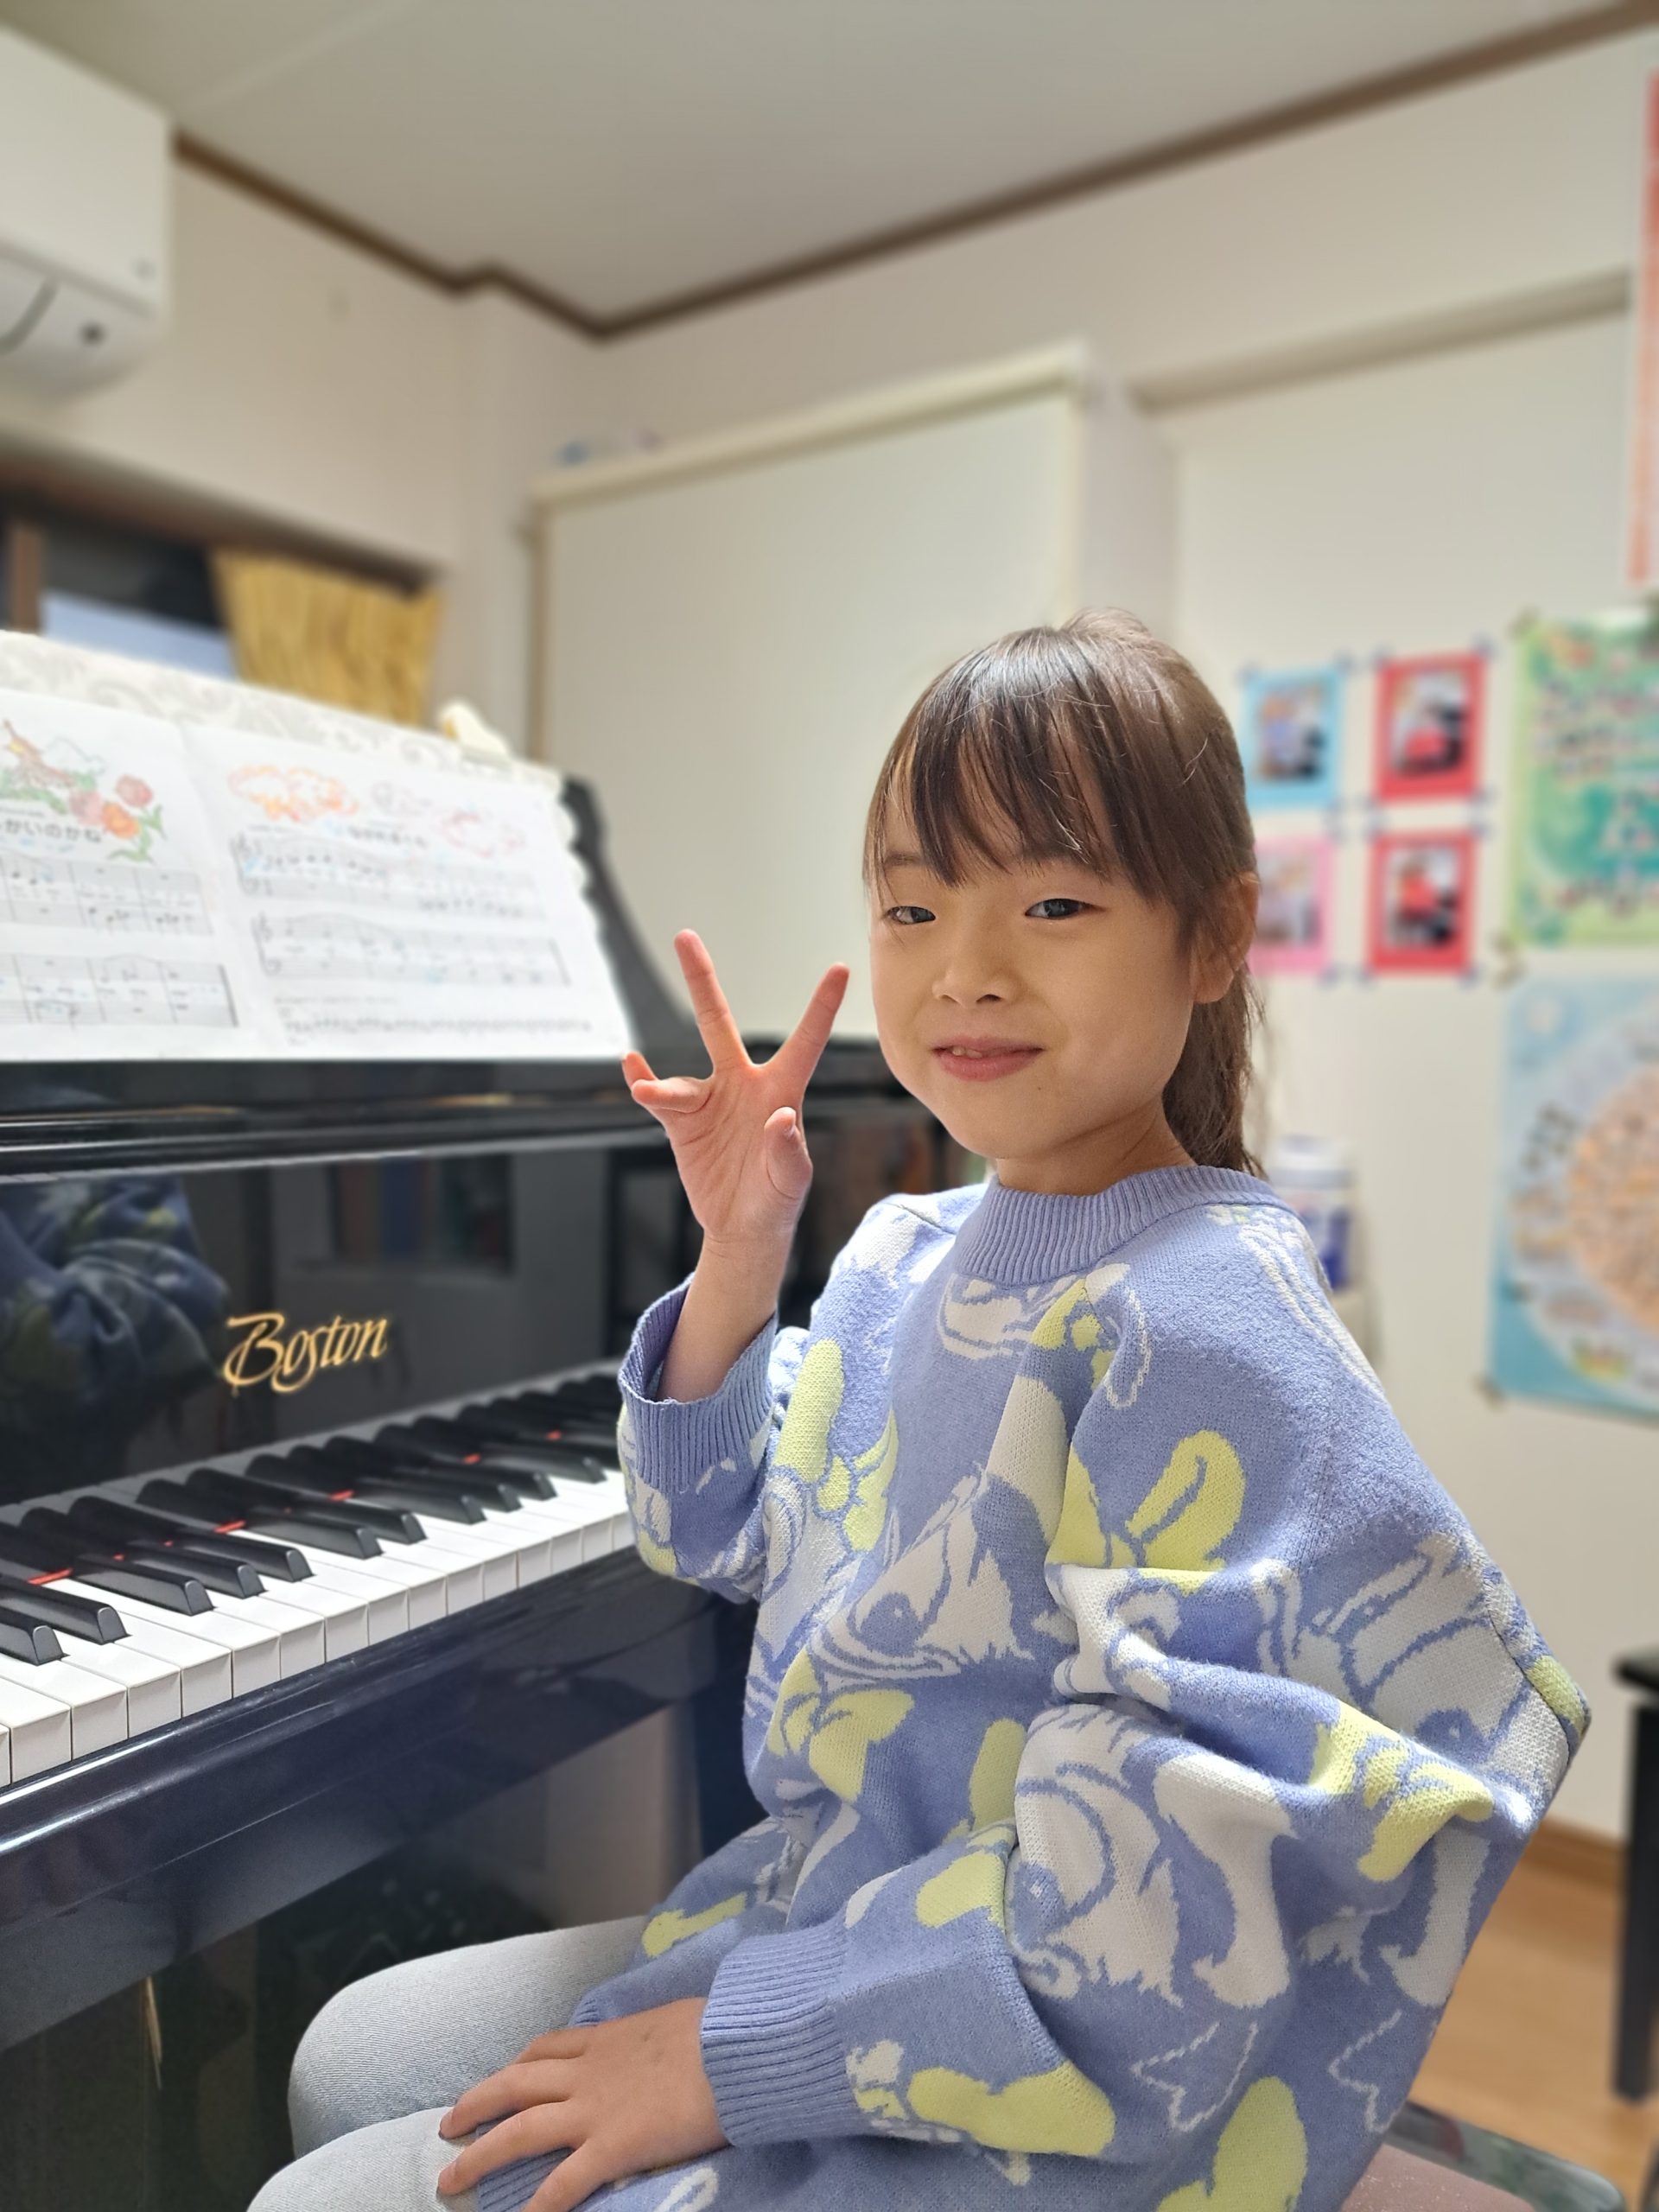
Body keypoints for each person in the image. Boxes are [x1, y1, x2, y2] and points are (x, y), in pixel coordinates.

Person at [255, 613, 1586, 2212]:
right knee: (350, 2055)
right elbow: (707, 1529)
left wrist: (721, 2056)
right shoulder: (906, 1253)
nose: (966, 968)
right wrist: (738, 1261)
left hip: (1028, 2057)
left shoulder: (1206, 1324)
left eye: (1054, 902)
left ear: (1216, 936)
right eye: (911, 906)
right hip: (845, 1913)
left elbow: (1139, 1951)